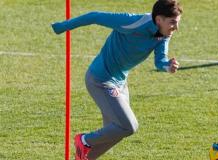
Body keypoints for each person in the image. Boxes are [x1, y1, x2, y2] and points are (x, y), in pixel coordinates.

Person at [51, 0, 182, 159]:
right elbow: (95, 16)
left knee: (115, 132)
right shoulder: (133, 22)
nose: (176, 28)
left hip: (120, 83)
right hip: (100, 79)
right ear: (159, 19)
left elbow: (160, 60)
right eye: (173, 23)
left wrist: (168, 66)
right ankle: (84, 140)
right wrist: (62, 27)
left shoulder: (163, 34)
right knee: (129, 126)